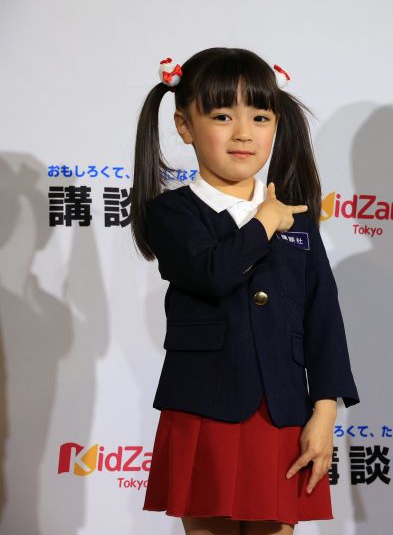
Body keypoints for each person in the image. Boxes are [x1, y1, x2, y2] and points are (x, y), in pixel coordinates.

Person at [131, 47, 359, 535]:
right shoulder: (172, 213)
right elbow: (214, 272)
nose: (243, 133)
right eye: (221, 116)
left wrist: (324, 412)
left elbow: (323, 316)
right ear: (184, 126)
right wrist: (264, 223)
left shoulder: (296, 218)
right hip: (204, 408)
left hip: (282, 412)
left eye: (260, 117)